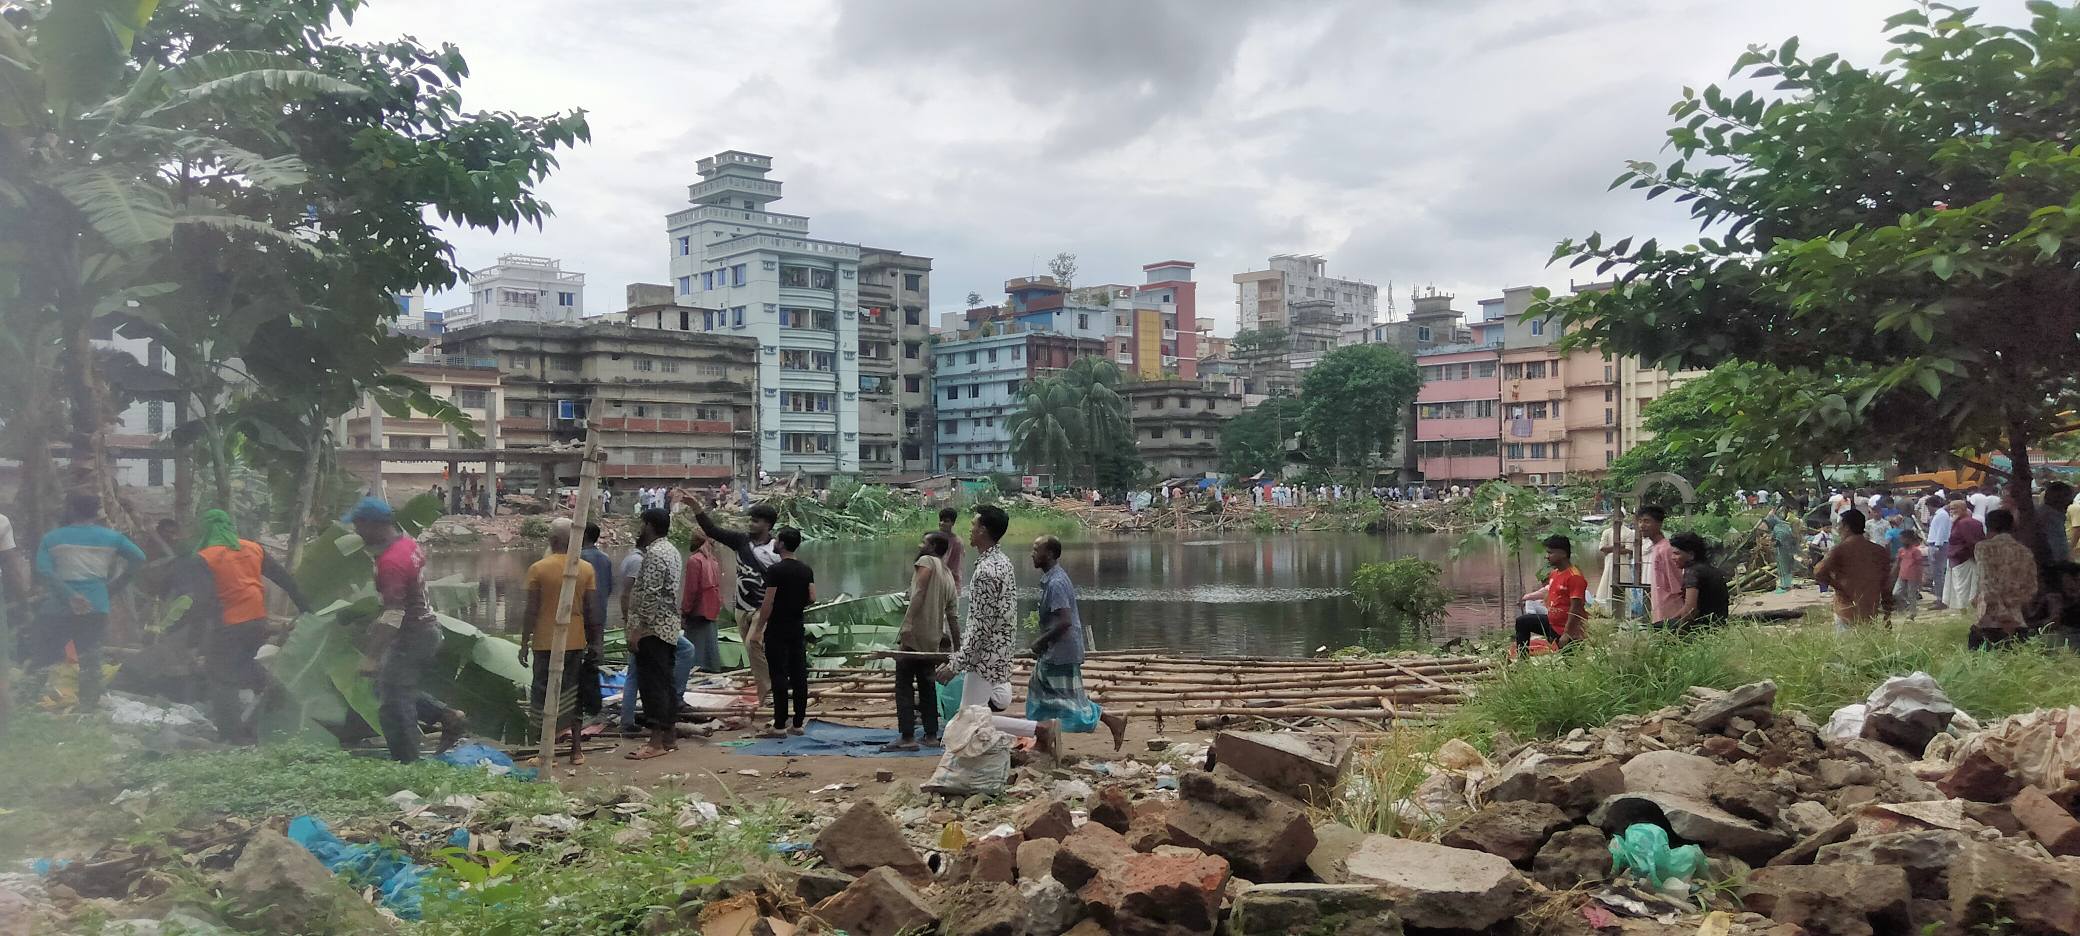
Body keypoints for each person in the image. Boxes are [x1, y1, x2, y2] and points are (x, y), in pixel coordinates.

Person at [349, 497, 466, 762]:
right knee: (388, 688)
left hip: (412, 635)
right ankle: (446, 715)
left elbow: (394, 613)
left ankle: (408, 763)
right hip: (424, 629)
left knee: (393, 704)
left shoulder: (390, 561)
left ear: (373, 525)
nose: (356, 532)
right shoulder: (406, 544)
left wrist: (371, 656)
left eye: (358, 525)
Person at [194, 509, 310, 742]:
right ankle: (276, 695)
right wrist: (306, 607)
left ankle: (232, 736)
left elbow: (203, 600)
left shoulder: (205, 557)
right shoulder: (252, 547)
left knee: (221, 678)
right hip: (257, 621)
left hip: (228, 624)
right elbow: (284, 578)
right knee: (243, 665)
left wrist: (196, 637)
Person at [31, 493, 146, 710]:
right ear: (95, 513)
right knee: (90, 658)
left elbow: (44, 571)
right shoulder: (112, 538)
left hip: (57, 607)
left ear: (71, 509)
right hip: (96, 604)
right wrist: (115, 585)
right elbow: (139, 558)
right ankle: (87, 708)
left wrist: (69, 595)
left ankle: (32, 701)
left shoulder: (52, 538)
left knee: (45, 656)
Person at [1026, 535, 1128, 751]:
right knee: (1044, 692)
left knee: (1066, 700)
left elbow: (1064, 621)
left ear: (1051, 554)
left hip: (1061, 651)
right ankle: (1044, 740)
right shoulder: (1051, 580)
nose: (1032, 554)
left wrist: (1040, 642)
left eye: (1037, 550)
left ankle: (1110, 719)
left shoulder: (1056, 583)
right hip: (1056, 650)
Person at [946, 505, 1037, 743]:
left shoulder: (986, 572)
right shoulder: (1003, 561)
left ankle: (1039, 729)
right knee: (983, 712)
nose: (970, 528)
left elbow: (980, 626)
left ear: (983, 531)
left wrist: (957, 663)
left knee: (969, 718)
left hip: (984, 657)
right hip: (1000, 652)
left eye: (974, 524)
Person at [518, 519, 598, 765]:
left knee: (543, 695)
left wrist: (523, 642)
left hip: (544, 642)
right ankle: (576, 751)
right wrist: (595, 642)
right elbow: (591, 610)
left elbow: (531, 611)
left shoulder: (538, 569)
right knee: (573, 694)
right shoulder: (585, 569)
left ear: (552, 541)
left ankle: (547, 752)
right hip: (575, 641)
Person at [695, 501, 779, 705]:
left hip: (763, 607)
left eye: (756, 521)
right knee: (755, 650)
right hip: (741, 608)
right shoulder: (741, 541)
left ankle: (767, 695)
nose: (751, 524)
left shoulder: (777, 548)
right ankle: (771, 688)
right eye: (750, 519)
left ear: (767, 525)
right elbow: (712, 530)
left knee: (753, 644)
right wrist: (696, 508)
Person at [886, 531, 957, 752]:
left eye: (924, 542)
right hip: (932, 638)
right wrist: (958, 646)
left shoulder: (926, 562)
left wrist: (907, 625)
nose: (920, 544)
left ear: (933, 546)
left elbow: (919, 591)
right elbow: (953, 616)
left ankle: (907, 737)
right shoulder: (948, 575)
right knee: (927, 686)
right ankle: (931, 735)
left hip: (915, 634)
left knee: (904, 684)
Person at [624, 508, 682, 760]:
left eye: (642, 524)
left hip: (654, 628)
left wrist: (638, 629)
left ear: (649, 525)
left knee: (652, 685)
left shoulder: (656, 554)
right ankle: (669, 736)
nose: (640, 529)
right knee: (665, 681)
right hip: (667, 626)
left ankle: (655, 741)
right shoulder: (672, 550)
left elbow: (651, 594)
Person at [749, 527, 814, 738]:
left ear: (783, 545)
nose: (774, 543)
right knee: (798, 675)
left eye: (777, 540)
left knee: (778, 675)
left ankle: (779, 725)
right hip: (797, 626)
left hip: (777, 628)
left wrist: (758, 629)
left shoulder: (776, 571)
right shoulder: (806, 569)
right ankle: (798, 724)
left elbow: (768, 602)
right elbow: (812, 597)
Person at [1814, 509, 1894, 632]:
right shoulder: (1879, 551)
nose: (1838, 530)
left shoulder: (1840, 549)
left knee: (1846, 648)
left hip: (1846, 609)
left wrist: (1838, 587)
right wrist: (1887, 615)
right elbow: (1886, 585)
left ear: (1846, 527)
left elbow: (1819, 572)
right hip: (1870, 610)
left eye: (1839, 526)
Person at [1971, 508, 2040, 650]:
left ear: (1988, 527)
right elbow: (2032, 587)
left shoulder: (1984, 548)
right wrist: (2014, 606)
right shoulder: (2024, 551)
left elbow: (1987, 583)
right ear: (2012, 527)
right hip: (2018, 619)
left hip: (1990, 620)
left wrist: (2003, 614)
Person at [1514, 535, 1589, 651]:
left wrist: (1567, 633)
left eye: (1550, 553)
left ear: (1563, 554)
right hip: (1552, 623)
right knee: (1522, 622)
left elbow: (1576, 607)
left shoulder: (1574, 577)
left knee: (1571, 665)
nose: (1547, 557)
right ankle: (1522, 663)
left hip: (1568, 629)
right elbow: (1550, 594)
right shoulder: (1555, 573)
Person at [576, 523, 614, 720]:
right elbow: (609, 589)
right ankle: (593, 704)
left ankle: (579, 703)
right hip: (600, 615)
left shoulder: (578, 559)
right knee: (593, 659)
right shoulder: (605, 559)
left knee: (577, 660)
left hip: (581, 616)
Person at [1668, 532, 1730, 631]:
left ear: (1691, 555)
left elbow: (1690, 610)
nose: (1672, 557)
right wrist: (1670, 621)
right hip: (1719, 627)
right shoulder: (1710, 569)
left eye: (1676, 553)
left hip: (1702, 629)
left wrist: (1677, 634)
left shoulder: (1692, 572)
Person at [682, 529, 723, 674]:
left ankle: (695, 673)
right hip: (711, 608)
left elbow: (691, 590)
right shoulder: (712, 560)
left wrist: (685, 611)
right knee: (710, 644)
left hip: (698, 610)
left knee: (694, 646)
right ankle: (712, 670)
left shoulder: (695, 560)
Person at [1638, 506, 1682, 625]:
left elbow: (1677, 584)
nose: (1642, 525)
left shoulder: (1666, 549)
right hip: (1659, 609)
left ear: (1659, 523)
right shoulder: (1656, 548)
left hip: (1670, 610)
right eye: (1640, 521)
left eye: (1647, 521)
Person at [1941, 499, 1986, 611]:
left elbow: (1973, 542)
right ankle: (1962, 610)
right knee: (1957, 588)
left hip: (1966, 560)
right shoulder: (1958, 522)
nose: (1952, 511)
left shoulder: (1967, 523)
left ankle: (1965, 610)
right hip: (1956, 560)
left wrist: (1976, 558)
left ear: (1964, 509)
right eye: (1950, 509)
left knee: (1964, 589)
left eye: (1955, 508)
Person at [1926, 492, 1954, 606]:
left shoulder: (1942, 515)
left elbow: (1941, 532)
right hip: (1934, 544)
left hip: (1938, 546)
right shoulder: (1939, 515)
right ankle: (1939, 596)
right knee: (1935, 573)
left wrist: (1937, 547)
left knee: (1938, 573)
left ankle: (1941, 599)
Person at [1893, 529, 1926, 621]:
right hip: (1902, 575)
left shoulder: (1916, 551)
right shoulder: (1901, 550)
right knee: (1896, 593)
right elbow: (1897, 563)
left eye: (1903, 539)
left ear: (1909, 539)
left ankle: (1912, 613)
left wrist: (1921, 577)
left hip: (1913, 576)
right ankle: (1904, 606)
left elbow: (1920, 565)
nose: (1902, 541)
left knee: (1911, 595)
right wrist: (1892, 573)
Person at [1767, 505, 1801, 593]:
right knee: (1788, 567)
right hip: (1790, 549)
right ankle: (1788, 584)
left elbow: (1778, 540)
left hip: (1782, 551)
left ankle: (1785, 586)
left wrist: (1773, 544)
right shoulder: (1785, 525)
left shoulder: (1777, 528)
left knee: (1782, 568)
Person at [2039, 482, 2074, 563]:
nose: (2071, 501)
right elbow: (2059, 552)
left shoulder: (2044, 513)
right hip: (2051, 568)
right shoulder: (2051, 518)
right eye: (2069, 497)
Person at [937, 507, 966, 587]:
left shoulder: (957, 542)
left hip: (951, 584)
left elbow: (956, 568)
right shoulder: (934, 538)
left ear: (952, 523)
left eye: (946, 521)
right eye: (941, 520)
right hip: (935, 581)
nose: (942, 523)